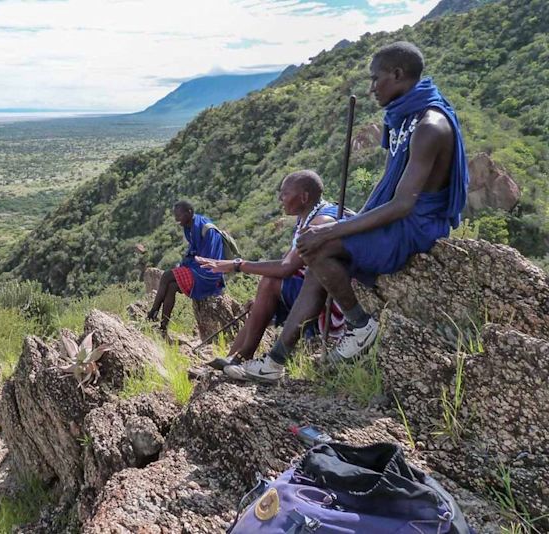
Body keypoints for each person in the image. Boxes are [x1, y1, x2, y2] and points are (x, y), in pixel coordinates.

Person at [225, 41, 469, 382]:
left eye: (376, 79)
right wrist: (349, 225)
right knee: (315, 257)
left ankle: (359, 325)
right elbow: (387, 184)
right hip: (398, 219)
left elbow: (402, 204)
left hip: (415, 227)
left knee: (320, 245)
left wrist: (333, 229)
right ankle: (276, 362)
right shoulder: (404, 118)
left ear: (398, 75)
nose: (371, 88)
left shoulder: (429, 125)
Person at [195, 170, 343, 369]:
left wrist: (237, 265)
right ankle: (231, 360)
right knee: (260, 302)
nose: (280, 199)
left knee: (269, 282)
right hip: (315, 291)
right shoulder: (308, 217)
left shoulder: (320, 222)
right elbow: (292, 263)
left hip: (332, 302)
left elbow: (286, 268)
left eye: (285, 193)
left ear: (304, 197)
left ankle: (243, 358)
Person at [147, 201, 226, 333]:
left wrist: (188, 264)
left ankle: (153, 311)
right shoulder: (189, 227)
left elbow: (210, 260)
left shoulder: (207, 228)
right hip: (197, 268)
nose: (176, 219)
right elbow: (193, 251)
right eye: (175, 216)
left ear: (189, 212)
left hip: (207, 274)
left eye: (179, 215)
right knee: (171, 286)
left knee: (167, 275)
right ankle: (163, 327)